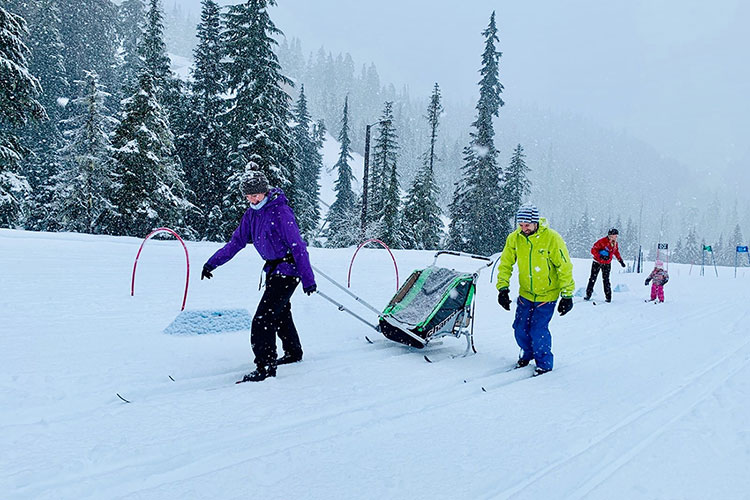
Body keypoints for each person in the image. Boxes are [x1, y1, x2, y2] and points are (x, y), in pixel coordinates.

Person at [202, 170, 317, 382]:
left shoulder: (280, 212)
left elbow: (298, 246)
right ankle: (293, 352)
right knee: (281, 312)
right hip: (273, 271)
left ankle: (265, 367)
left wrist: (308, 279)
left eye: (257, 194)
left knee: (263, 319)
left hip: (288, 270)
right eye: (249, 195)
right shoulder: (251, 215)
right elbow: (236, 242)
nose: (253, 199)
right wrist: (212, 263)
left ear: (265, 191)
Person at [496, 204, 575, 376]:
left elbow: (564, 266)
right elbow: (505, 264)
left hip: (547, 294)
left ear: (536, 222)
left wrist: (567, 295)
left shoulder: (552, 238)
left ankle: (544, 362)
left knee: (538, 329)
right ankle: (527, 352)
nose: (524, 229)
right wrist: (503, 288)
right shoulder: (515, 238)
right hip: (526, 293)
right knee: (519, 328)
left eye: (527, 225)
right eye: (521, 225)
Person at [584, 228, 626, 302]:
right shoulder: (602, 241)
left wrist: (620, 261)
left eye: (616, 236)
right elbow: (593, 250)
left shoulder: (615, 244)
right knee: (593, 279)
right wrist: (600, 256)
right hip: (597, 262)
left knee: (606, 280)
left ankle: (608, 297)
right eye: (614, 236)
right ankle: (588, 295)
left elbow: (616, 252)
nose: (616, 237)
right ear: (610, 235)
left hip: (607, 264)